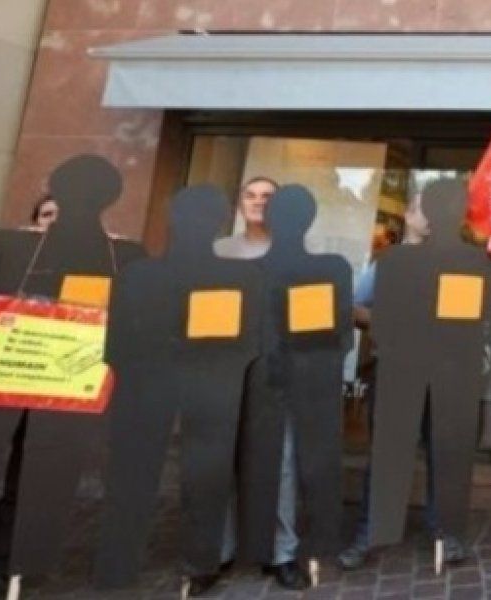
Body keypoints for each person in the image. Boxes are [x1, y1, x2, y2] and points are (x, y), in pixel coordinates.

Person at [337, 197, 467, 570]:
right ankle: (369, 533)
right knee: (387, 455)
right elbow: (355, 308)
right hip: (396, 370)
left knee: (443, 455)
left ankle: (445, 533)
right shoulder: (387, 263)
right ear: (409, 215)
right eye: (426, 209)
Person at [194, 176, 308, 594]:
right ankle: (216, 552)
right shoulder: (218, 252)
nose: (258, 202)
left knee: (281, 463)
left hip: (276, 374)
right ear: (239, 204)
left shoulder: (298, 255)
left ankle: (282, 553)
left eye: (267, 196)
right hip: (223, 371)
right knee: (219, 460)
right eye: (251, 195)